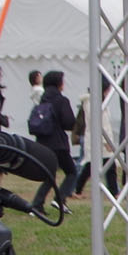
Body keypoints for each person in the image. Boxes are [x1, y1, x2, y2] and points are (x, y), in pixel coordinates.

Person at [27, 68, 79, 204]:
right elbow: (68, 122)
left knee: (50, 175)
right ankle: (60, 199)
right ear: (58, 83)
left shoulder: (42, 100)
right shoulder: (61, 100)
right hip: (58, 143)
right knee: (71, 172)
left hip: (42, 142)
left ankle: (38, 204)